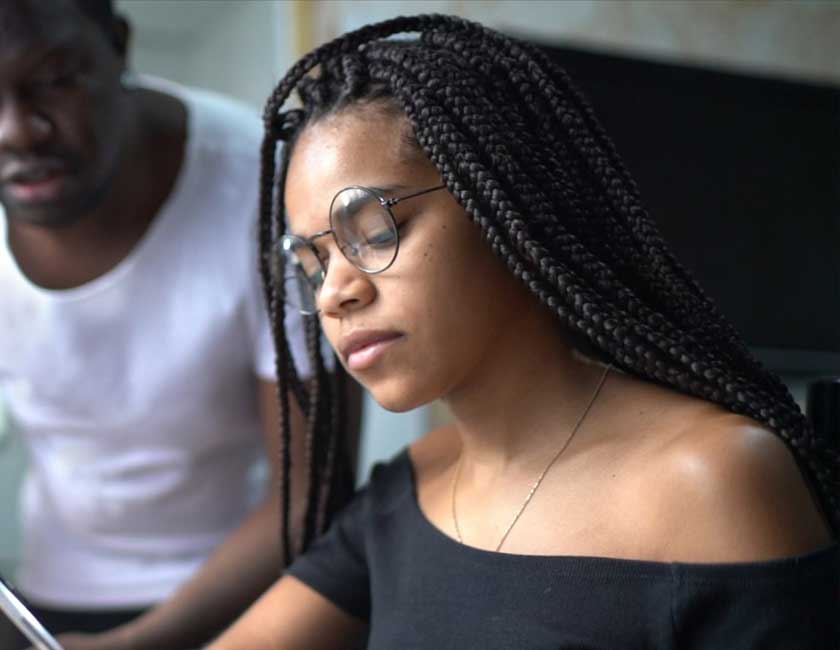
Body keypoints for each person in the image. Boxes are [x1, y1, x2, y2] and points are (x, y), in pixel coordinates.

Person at [210, 14, 840, 648]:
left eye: (375, 231)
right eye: (311, 265)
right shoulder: (408, 488)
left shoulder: (716, 479)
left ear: (503, 202)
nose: (336, 293)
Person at [0, 1, 345, 648]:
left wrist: (143, 643)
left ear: (116, 45)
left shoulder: (265, 191)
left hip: (263, 599)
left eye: (52, 81)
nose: (17, 133)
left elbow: (312, 496)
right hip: (55, 601)